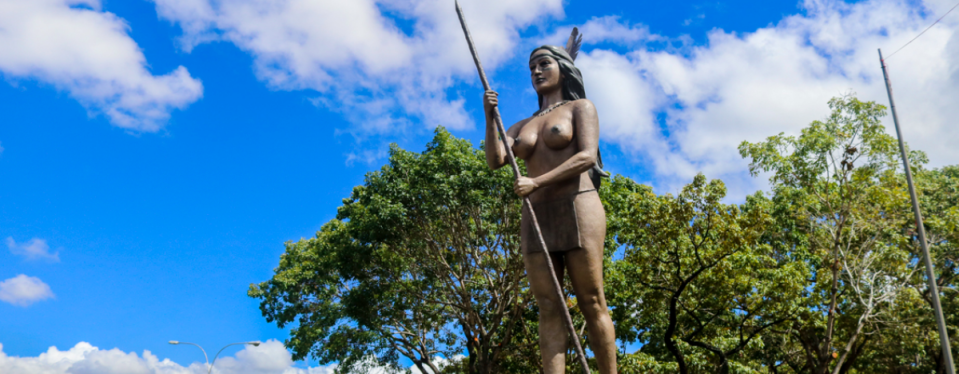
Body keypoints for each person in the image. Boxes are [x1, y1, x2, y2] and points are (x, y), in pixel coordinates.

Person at [483, 32, 617, 374]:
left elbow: (587, 157)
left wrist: (537, 181)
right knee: (548, 306)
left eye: (544, 64)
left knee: (591, 300)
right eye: (532, 68)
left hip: (577, 204)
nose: (537, 72)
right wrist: (490, 117)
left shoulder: (580, 108)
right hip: (536, 214)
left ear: (564, 68)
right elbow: (496, 160)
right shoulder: (520, 125)